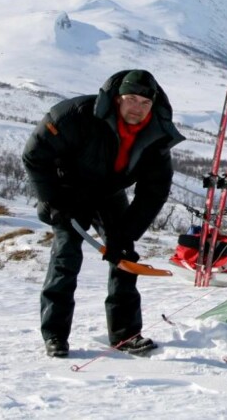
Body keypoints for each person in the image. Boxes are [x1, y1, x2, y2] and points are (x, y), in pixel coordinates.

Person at [23, 70, 184, 358]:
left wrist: (126, 233)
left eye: (145, 103)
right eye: (131, 99)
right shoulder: (75, 115)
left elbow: (154, 191)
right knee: (66, 258)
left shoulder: (157, 134)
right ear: (117, 98)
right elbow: (35, 155)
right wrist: (53, 201)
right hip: (69, 192)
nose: (137, 108)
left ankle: (126, 335)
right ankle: (55, 336)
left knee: (124, 257)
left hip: (110, 193)